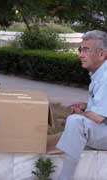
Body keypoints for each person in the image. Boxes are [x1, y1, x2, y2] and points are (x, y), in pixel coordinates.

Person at [56, 30, 107, 180]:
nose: (80, 55)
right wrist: (86, 106)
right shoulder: (99, 73)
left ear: (102, 54)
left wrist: (80, 113)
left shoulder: (105, 77)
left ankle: (64, 178)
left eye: (86, 50)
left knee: (76, 123)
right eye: (80, 50)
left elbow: (98, 118)